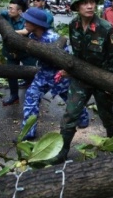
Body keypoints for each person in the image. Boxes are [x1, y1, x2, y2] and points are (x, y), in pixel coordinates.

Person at [48, 0, 113, 165]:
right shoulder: (74, 25)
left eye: (92, 2)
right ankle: (62, 151)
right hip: (80, 79)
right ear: (77, 7)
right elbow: (76, 54)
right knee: (70, 114)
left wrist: (111, 85)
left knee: (107, 116)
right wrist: (69, 69)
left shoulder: (105, 28)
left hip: (102, 79)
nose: (89, 6)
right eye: (84, 3)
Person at [19, 8, 71, 140]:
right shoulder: (32, 36)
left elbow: (68, 58)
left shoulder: (53, 38)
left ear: (36, 24)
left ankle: (82, 119)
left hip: (59, 74)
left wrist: (65, 73)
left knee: (70, 101)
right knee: (31, 98)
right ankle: (28, 133)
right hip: (43, 74)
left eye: (28, 21)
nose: (25, 22)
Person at [0, 0, 37, 106]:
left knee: (32, 73)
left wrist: (9, 32)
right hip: (11, 52)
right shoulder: (7, 15)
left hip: (26, 52)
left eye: (11, 8)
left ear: (20, 11)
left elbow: (26, 32)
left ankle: (34, 95)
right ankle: (14, 96)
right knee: (11, 74)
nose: (9, 10)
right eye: (9, 7)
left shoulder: (27, 20)